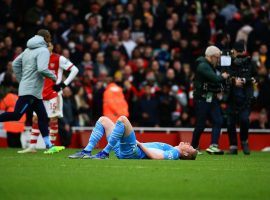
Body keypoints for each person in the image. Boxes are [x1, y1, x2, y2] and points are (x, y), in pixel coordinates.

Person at [0, 29, 59, 153]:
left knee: (43, 117)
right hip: (31, 91)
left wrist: (22, 79)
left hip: (34, 92)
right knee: (17, 115)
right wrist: (53, 77)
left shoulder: (28, 50)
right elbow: (42, 68)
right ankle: (48, 144)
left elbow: (15, 63)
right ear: (46, 38)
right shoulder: (43, 50)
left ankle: (49, 145)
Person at [18, 42, 79, 153]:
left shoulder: (58, 58)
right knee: (35, 119)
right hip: (39, 94)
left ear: (52, 47)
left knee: (53, 119)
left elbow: (75, 70)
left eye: (48, 45)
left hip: (53, 95)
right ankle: (32, 147)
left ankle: (51, 147)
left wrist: (63, 84)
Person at [68, 116, 197, 160]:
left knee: (123, 119)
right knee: (103, 120)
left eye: (189, 147)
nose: (188, 143)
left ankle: (105, 153)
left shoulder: (174, 153)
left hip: (132, 151)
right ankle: (87, 151)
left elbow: (157, 157)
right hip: (125, 150)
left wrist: (140, 145)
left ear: (185, 153)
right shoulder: (172, 148)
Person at [191, 46, 230, 155]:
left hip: (211, 98)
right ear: (211, 56)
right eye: (217, 57)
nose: (218, 60)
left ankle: (213, 145)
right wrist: (223, 76)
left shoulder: (208, 65)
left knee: (218, 120)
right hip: (202, 99)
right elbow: (215, 79)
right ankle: (193, 147)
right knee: (200, 125)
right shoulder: (203, 66)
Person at [226, 41, 257, 155]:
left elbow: (257, 76)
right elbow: (224, 76)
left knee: (244, 120)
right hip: (232, 97)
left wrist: (248, 80)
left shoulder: (250, 63)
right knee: (230, 122)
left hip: (245, 97)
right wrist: (233, 80)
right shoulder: (229, 62)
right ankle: (233, 146)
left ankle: (244, 141)